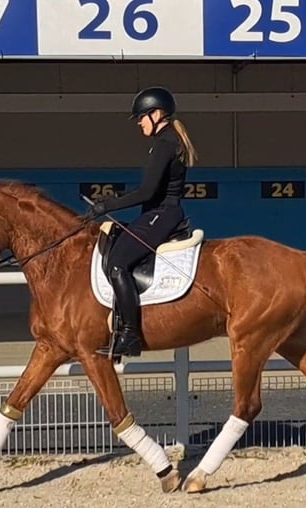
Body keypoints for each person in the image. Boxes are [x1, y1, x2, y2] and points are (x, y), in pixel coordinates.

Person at [88, 86, 199, 358]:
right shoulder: (167, 140)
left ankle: (130, 335)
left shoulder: (165, 143)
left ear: (157, 114)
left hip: (163, 213)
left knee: (117, 263)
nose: (139, 122)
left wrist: (106, 205)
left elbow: (147, 192)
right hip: (159, 212)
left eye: (141, 117)